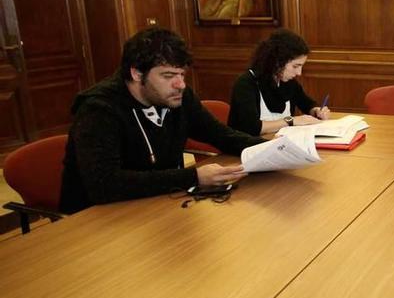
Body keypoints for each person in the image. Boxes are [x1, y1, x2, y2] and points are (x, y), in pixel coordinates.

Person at [59, 28, 265, 214]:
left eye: (182, 74)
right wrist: (193, 177)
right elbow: (105, 185)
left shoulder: (176, 96)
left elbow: (222, 135)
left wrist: (276, 149)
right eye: (168, 76)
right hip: (97, 221)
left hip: (157, 206)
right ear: (137, 73)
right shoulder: (98, 110)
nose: (181, 84)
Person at [227, 29, 329, 136]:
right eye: (295, 66)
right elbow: (252, 127)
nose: (299, 73)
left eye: (301, 66)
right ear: (277, 62)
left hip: (278, 145)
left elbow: (307, 104)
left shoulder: (288, 82)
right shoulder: (246, 84)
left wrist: (317, 111)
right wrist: (291, 121)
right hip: (248, 149)